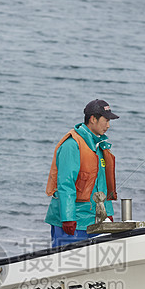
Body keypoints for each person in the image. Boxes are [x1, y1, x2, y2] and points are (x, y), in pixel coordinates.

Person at [44, 99, 118, 247]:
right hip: (72, 223)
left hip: (95, 222)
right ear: (93, 119)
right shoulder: (71, 145)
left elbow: (102, 185)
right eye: (106, 120)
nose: (108, 126)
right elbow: (66, 184)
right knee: (66, 264)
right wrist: (67, 218)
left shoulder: (100, 146)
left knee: (96, 267)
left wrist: (107, 213)